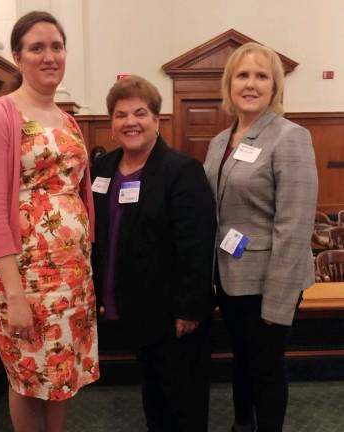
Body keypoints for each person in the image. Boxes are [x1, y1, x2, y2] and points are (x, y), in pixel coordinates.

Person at [0, 11, 99, 432]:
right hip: (22, 275)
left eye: (56, 47)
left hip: (71, 274)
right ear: (17, 57)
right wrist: (15, 295)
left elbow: (78, 193)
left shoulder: (69, 121)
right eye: (37, 48)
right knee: (27, 374)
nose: (49, 56)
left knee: (62, 372)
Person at [91, 75, 217, 432]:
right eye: (120, 114)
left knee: (183, 402)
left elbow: (197, 242)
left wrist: (189, 307)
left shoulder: (181, 171)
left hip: (174, 314)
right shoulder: (102, 169)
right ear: (112, 124)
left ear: (157, 121)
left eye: (140, 113)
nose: (130, 121)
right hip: (132, 309)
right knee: (153, 396)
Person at [204, 42, 318, 432]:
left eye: (261, 76)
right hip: (230, 277)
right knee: (242, 359)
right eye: (242, 75)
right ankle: (241, 424)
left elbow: (295, 226)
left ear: (275, 88)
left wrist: (278, 301)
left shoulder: (290, 137)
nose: (250, 84)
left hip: (271, 280)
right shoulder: (220, 141)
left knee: (266, 368)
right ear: (229, 84)